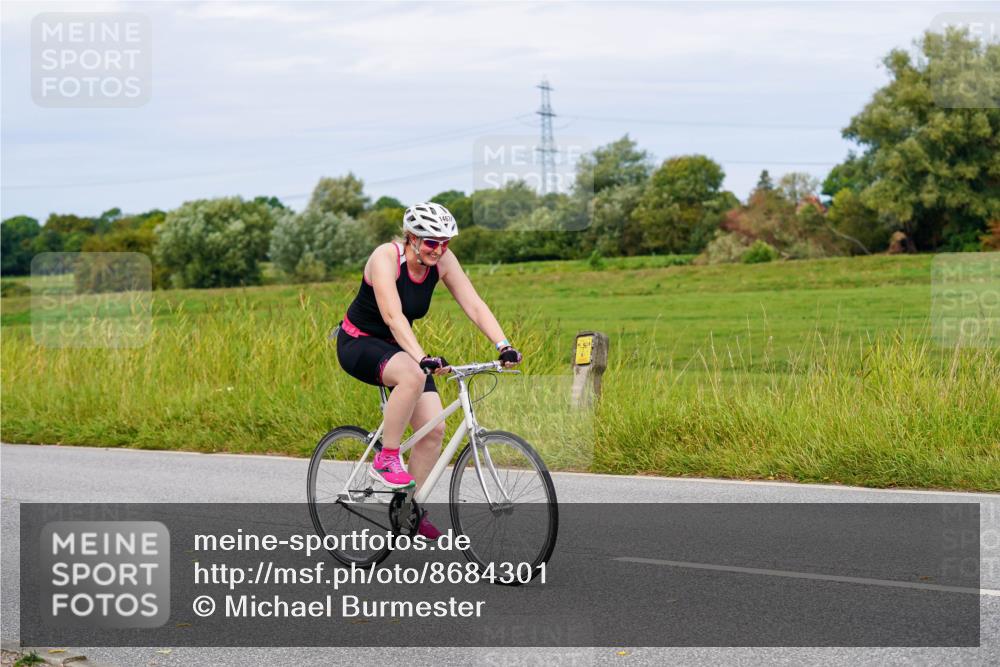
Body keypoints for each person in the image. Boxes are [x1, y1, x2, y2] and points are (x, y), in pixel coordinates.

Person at [335, 202, 522, 540]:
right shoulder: (386, 258)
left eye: (446, 242)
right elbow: (392, 316)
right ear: (411, 238)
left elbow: (474, 304)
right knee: (412, 374)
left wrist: (503, 344)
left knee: (434, 431)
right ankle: (387, 458)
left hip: (399, 346)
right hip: (359, 342)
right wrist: (421, 356)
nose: (440, 249)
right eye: (432, 242)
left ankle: (408, 508)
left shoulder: (443, 261)